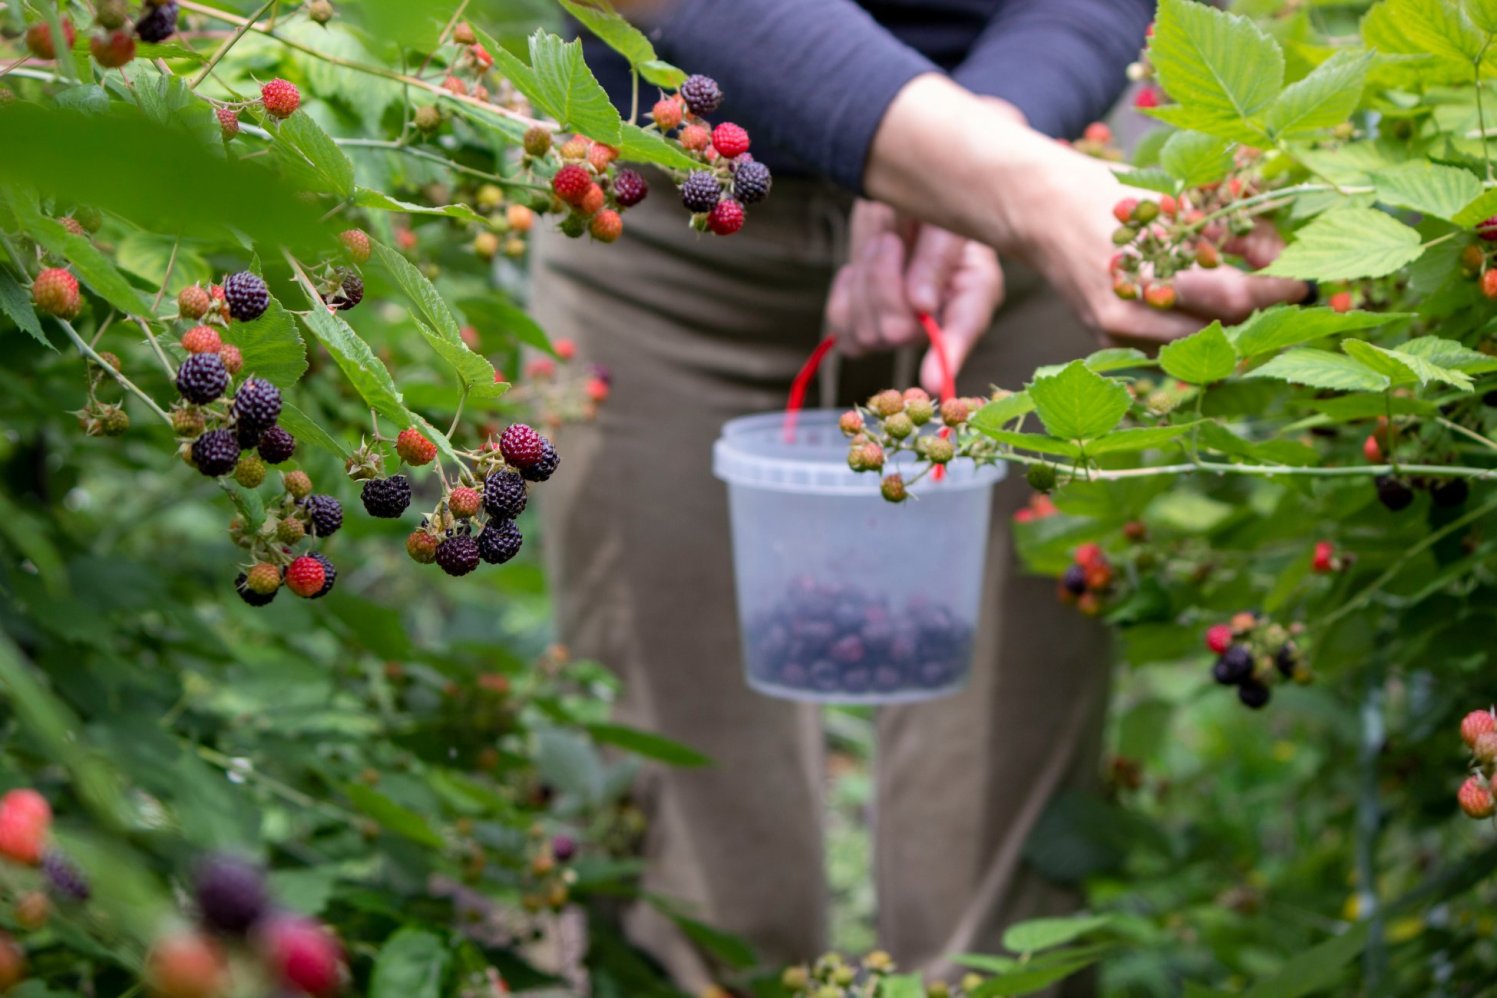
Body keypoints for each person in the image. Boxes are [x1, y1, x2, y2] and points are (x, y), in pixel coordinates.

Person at [531, 1, 1306, 991]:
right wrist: (986, 171)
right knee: (680, 851)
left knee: (995, 870)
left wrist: (990, 141)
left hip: (1048, 170)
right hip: (661, 216)